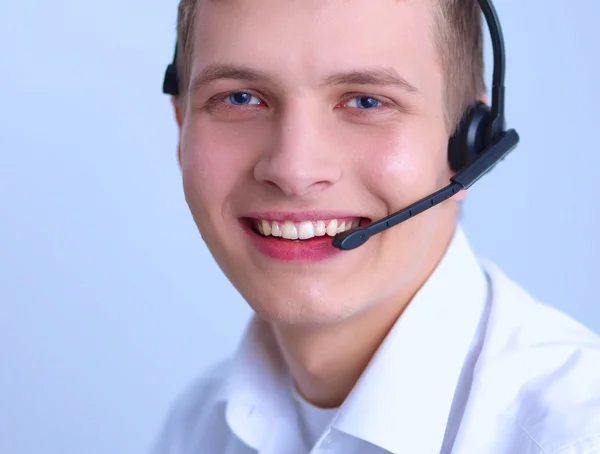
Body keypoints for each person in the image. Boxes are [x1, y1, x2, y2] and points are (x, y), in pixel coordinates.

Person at [151, 0, 600, 452]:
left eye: (367, 101)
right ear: (181, 123)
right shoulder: (197, 426)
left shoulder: (575, 435)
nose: (294, 170)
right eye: (240, 98)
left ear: (470, 145)